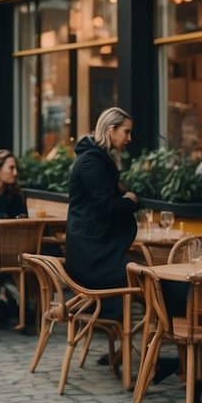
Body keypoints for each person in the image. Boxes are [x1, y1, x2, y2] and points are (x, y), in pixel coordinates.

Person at [65, 107, 139, 321]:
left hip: (98, 250)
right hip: (92, 257)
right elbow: (106, 207)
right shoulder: (92, 162)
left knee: (146, 275)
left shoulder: (97, 159)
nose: (129, 138)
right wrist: (130, 201)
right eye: (126, 132)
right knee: (146, 278)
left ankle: (139, 338)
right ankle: (128, 338)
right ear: (110, 129)